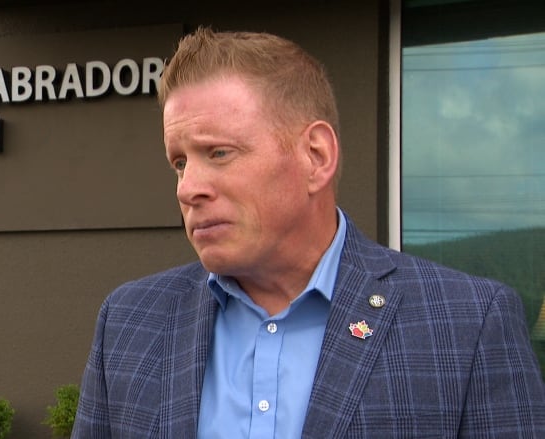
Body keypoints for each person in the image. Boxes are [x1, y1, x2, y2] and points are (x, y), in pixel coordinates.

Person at [72, 27, 545, 438]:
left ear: (316, 156)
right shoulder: (130, 321)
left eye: (218, 153)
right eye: (179, 162)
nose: (188, 188)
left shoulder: (466, 324)